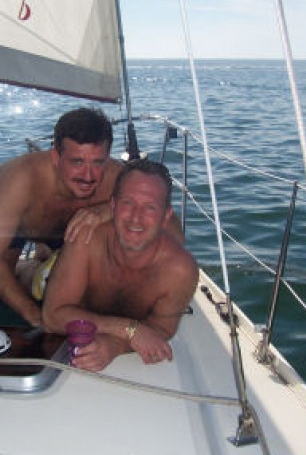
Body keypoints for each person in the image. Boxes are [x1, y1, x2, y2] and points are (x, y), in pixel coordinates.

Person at [0, 107, 124, 326]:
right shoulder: (21, 180)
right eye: (77, 162)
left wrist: (107, 210)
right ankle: (25, 267)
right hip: (24, 222)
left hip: (70, 227)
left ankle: (49, 255)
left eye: (98, 162)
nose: (88, 176)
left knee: (92, 290)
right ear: (56, 157)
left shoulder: (117, 177)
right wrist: (33, 314)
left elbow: (159, 214)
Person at [42, 159, 200, 372]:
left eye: (150, 207)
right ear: (113, 206)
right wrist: (128, 330)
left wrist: (115, 345)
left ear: (166, 217)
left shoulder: (180, 270)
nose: (136, 218)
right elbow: (52, 317)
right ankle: (39, 258)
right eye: (128, 203)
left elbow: (162, 330)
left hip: (87, 311)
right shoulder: (86, 238)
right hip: (51, 275)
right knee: (34, 279)